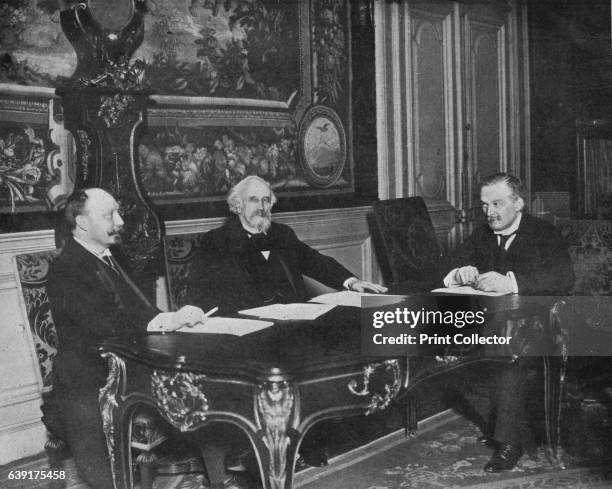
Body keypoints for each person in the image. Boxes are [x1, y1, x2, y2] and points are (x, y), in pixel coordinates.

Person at [47, 188, 242, 489]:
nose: (120, 220)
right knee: (104, 474)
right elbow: (101, 327)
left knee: (200, 391)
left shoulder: (113, 256)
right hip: (87, 379)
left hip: (128, 363)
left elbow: (141, 310)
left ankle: (218, 477)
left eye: (118, 212)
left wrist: (175, 317)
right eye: (109, 214)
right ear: (82, 223)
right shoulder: (67, 267)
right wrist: (164, 322)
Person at [440, 172, 574, 472]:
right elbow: (445, 266)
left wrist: (510, 282)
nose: (490, 212)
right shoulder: (481, 234)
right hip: (488, 323)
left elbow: (564, 278)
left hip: (541, 324)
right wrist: (458, 273)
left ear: (519, 203)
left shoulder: (544, 233)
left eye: (498, 203)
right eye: (485, 205)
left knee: (507, 357)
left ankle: (508, 443)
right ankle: (517, 431)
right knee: (444, 360)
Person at [186, 175, 387, 314]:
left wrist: (351, 282)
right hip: (247, 331)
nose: (261, 207)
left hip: (295, 324)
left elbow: (315, 261)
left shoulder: (283, 234)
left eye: (266, 200)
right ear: (238, 205)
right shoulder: (216, 241)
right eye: (253, 200)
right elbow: (198, 293)